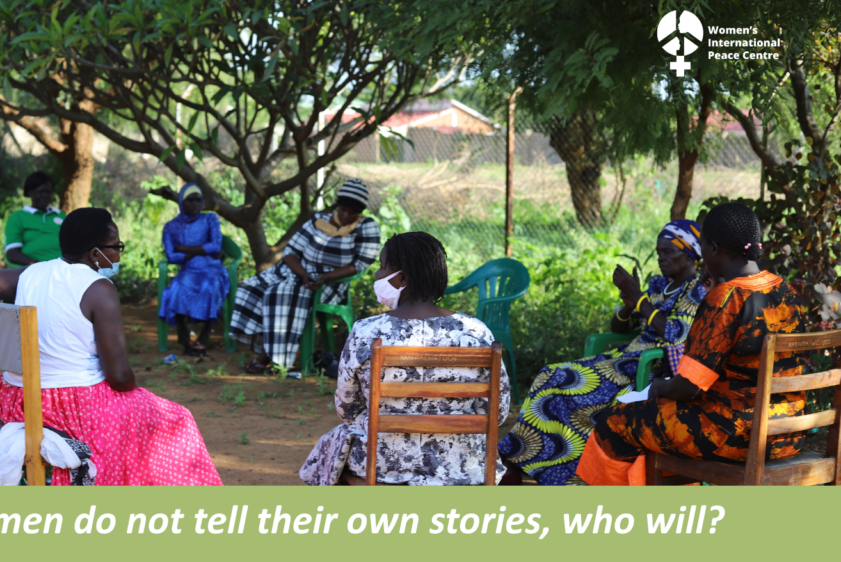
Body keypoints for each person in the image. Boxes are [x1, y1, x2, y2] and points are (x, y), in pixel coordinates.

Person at [0, 208, 222, 486]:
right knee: (177, 418)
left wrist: (3, 336)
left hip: (16, 401)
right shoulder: (99, 289)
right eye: (116, 247)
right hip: (71, 408)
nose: (119, 255)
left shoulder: (32, 273)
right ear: (96, 254)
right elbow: (120, 378)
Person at [577, 203, 806, 485]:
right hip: (786, 433)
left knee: (613, 423)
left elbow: (690, 387)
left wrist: (657, 388)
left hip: (731, 435)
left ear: (711, 249)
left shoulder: (724, 299)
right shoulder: (786, 291)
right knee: (657, 424)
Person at [498, 219, 707, 485]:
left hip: (652, 365)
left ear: (690, 253)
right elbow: (619, 327)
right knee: (549, 374)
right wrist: (628, 304)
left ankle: (557, 470)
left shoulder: (696, 290)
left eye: (669, 252)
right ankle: (522, 458)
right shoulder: (657, 285)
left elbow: (677, 334)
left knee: (570, 385)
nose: (661, 258)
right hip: (624, 358)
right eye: (658, 252)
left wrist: (639, 299)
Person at [300, 232, 510, 485]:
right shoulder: (477, 332)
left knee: (330, 451)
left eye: (381, 267)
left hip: (381, 463)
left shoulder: (367, 332)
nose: (377, 274)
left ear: (401, 278)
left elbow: (347, 408)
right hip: (461, 464)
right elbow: (496, 412)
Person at [232, 178, 381, 374]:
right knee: (250, 287)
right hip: (297, 272)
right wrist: (303, 274)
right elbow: (291, 252)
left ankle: (270, 358)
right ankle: (266, 345)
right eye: (342, 209)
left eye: (352, 212)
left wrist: (323, 278)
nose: (345, 215)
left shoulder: (366, 226)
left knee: (281, 293)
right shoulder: (318, 221)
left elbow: (360, 264)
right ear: (337, 206)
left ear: (359, 212)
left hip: (330, 284)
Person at [159, 183, 229, 357]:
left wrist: (183, 248)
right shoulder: (171, 226)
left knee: (210, 287)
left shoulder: (210, 219)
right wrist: (200, 250)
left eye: (198, 200)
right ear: (182, 202)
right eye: (190, 200)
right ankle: (187, 341)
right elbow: (171, 257)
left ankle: (203, 338)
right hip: (188, 271)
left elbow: (216, 246)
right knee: (176, 290)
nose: (195, 204)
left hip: (212, 269)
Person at [3, 172, 67, 266]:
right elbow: (12, 253)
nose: (44, 196)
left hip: (64, 268)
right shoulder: (18, 217)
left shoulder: (60, 215)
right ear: (29, 192)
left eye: (48, 192)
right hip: (32, 269)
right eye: (40, 192)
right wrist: (35, 264)